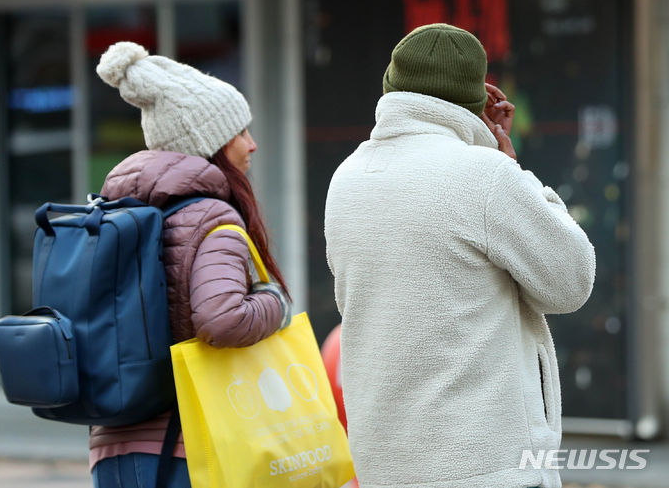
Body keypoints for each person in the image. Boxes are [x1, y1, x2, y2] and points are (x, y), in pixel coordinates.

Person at [324, 24, 595, 488]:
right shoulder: (484, 176)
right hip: (483, 464)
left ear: (391, 89)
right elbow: (570, 282)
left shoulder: (347, 177)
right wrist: (513, 169)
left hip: (384, 464)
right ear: (475, 101)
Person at [90, 41, 291, 488]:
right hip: (185, 448)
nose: (252, 144)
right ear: (211, 144)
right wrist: (275, 305)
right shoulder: (208, 215)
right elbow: (220, 320)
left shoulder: (119, 211)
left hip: (113, 444)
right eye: (240, 132)